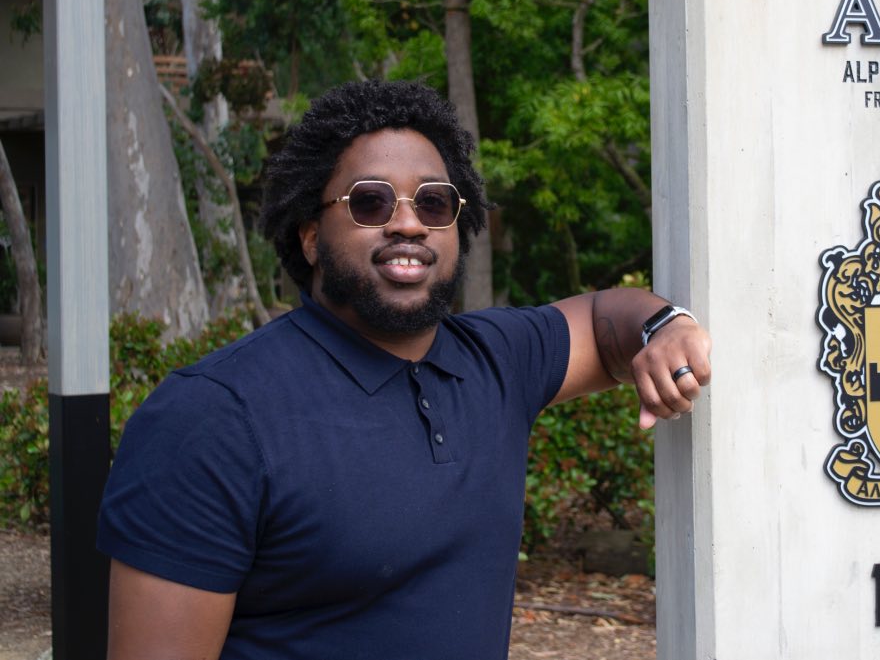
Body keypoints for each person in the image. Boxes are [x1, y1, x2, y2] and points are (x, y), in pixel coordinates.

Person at [97, 80, 712, 660]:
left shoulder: (498, 361)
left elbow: (606, 322)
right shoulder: (211, 417)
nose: (409, 222)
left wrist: (665, 328)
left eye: (434, 201)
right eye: (370, 201)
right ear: (311, 236)